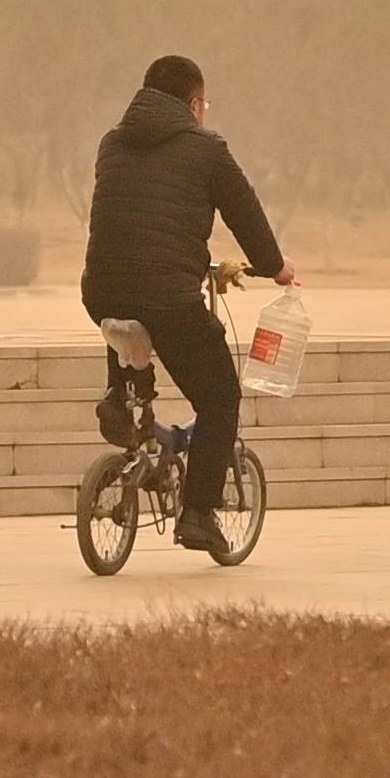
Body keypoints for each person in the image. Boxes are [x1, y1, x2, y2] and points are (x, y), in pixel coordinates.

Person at [81, 53, 291, 553]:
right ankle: (197, 512)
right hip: (168, 298)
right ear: (194, 104)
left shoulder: (112, 143)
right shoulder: (206, 149)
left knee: (130, 321)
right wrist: (274, 266)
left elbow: (129, 220)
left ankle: (125, 400)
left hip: (102, 291)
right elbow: (245, 212)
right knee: (220, 398)